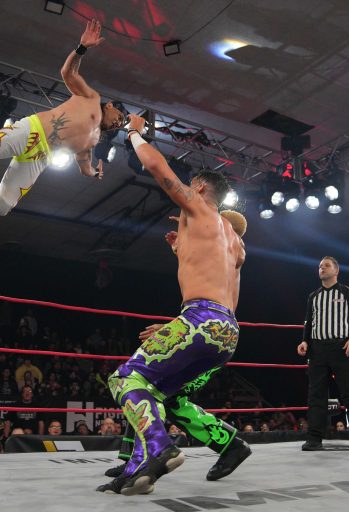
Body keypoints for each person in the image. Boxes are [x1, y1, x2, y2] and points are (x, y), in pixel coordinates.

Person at [97, 114, 248, 496]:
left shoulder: (199, 206)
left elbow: (157, 166)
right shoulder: (235, 243)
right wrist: (181, 247)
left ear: (200, 187)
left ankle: (161, 448)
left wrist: (134, 133)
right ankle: (140, 470)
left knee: (125, 379)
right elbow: (214, 284)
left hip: (200, 319)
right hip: (226, 331)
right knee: (159, 393)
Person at [0, 19, 128, 223]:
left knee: (2, 206)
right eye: (120, 118)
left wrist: (95, 173)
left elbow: (84, 167)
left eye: (121, 125)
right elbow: (68, 73)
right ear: (110, 106)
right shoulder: (91, 98)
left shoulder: (92, 142)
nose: (118, 123)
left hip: (41, 157)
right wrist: (82, 48)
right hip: (30, 131)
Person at [297, 256, 349, 450]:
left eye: (326, 265)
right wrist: (304, 341)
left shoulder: (347, 292)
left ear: (336, 271)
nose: (322, 268)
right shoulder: (313, 296)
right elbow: (308, 322)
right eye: (320, 266)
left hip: (341, 347)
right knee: (316, 395)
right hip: (317, 350)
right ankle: (314, 439)